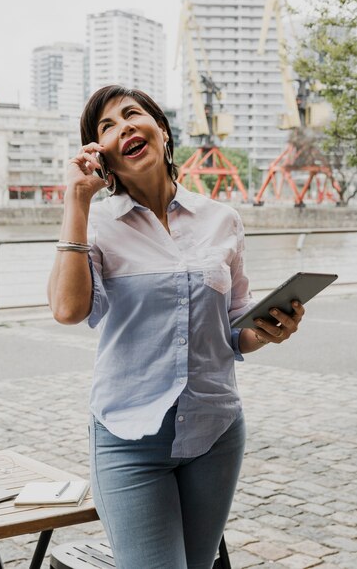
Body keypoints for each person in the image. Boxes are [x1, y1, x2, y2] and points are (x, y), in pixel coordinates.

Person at [48, 85, 304, 569]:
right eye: (105, 127)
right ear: (99, 154)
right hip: (128, 437)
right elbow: (67, 309)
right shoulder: (96, 224)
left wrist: (268, 329)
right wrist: (76, 202)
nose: (122, 127)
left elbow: (235, 325)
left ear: (161, 131)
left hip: (215, 431)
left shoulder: (221, 219)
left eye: (131, 114)